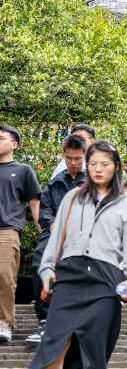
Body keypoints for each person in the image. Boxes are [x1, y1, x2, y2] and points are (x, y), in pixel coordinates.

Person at [30, 140, 127, 368]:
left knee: (91, 352)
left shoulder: (126, 205)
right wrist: (46, 272)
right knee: (53, 346)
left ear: (116, 166)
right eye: (92, 163)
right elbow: (56, 241)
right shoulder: (72, 197)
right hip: (68, 277)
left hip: (104, 280)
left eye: (104, 164)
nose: (98, 169)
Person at [27, 134, 87, 344]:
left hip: (83, 235)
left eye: (77, 158)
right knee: (40, 260)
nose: (73, 162)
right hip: (54, 234)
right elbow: (44, 211)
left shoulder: (92, 182)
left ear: (85, 156)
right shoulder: (54, 183)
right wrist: (51, 222)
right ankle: (44, 320)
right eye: (69, 158)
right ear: (63, 156)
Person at [0, 125, 41, 342]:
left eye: (1, 138)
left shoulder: (23, 170)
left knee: (4, 275)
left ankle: (5, 322)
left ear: (13, 144)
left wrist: (42, 231)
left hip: (7, 230)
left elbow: (35, 202)